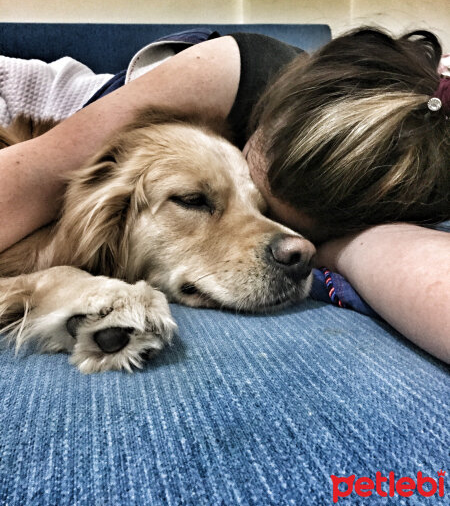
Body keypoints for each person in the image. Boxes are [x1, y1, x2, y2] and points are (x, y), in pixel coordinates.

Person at [0, 27, 449, 362]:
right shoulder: (223, 74)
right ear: (266, 118)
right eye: (196, 201)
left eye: (268, 212)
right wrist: (59, 281)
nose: (293, 244)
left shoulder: (404, 169)